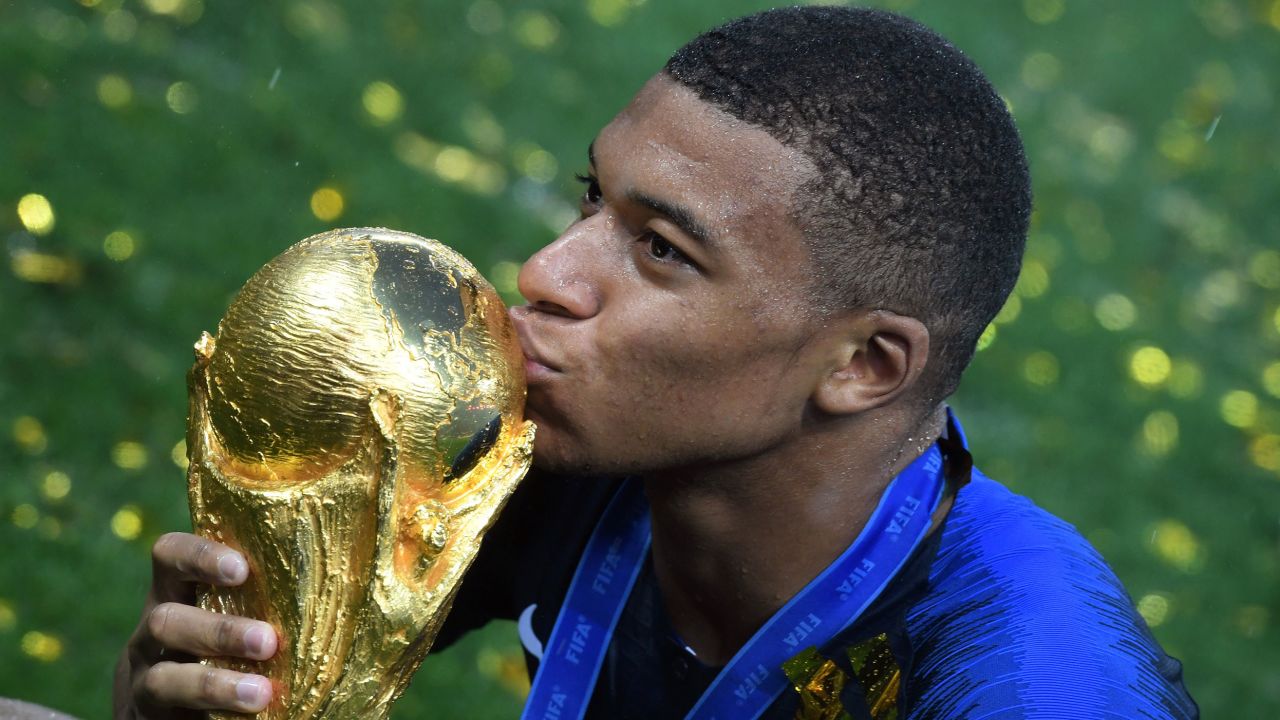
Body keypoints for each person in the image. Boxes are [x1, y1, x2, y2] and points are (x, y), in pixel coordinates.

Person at [114, 7, 1198, 719]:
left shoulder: (1031, 688)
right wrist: (193, 691)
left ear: (864, 363)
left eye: (661, 251)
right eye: (595, 199)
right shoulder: (542, 440)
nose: (545, 272)